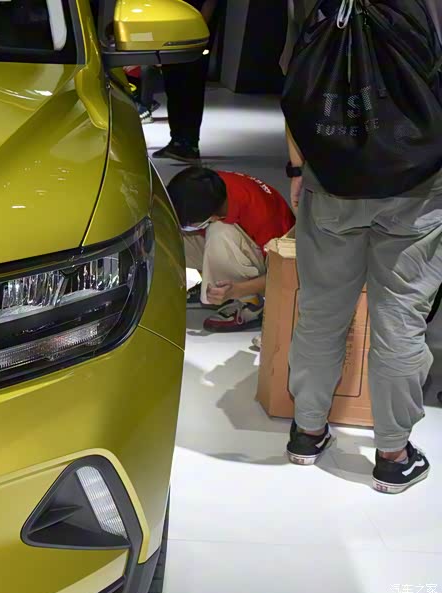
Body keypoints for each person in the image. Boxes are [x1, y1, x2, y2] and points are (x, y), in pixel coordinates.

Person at [282, 0, 442, 494]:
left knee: (321, 311)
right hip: (418, 184)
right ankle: (392, 454)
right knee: (400, 319)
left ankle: (308, 432)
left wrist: (297, 166)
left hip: (333, 178)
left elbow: (297, 82)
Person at [169, 167, 295, 332]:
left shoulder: (261, 215)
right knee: (169, 235)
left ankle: (250, 303)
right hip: (245, 241)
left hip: (274, 262)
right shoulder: (207, 187)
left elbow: (284, 273)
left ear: (213, 216)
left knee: (220, 234)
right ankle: (214, 284)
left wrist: (239, 290)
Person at [152, 0, 222, 164]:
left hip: (194, 37)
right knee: (173, 87)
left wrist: (198, 29)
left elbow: (210, 3)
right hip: (175, 33)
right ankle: (177, 141)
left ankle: (190, 145)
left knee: (191, 88)